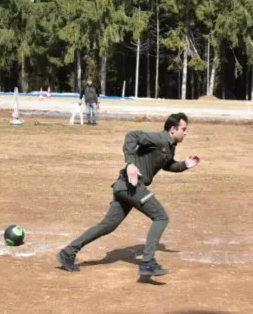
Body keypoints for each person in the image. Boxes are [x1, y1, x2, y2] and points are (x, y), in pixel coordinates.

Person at [56, 112, 200, 277]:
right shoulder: (158, 138)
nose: (186, 132)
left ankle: (67, 253)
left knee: (107, 225)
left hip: (125, 187)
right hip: (131, 186)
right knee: (161, 217)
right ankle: (147, 262)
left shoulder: (169, 146)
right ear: (173, 130)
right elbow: (132, 136)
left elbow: (167, 165)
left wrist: (184, 165)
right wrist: (130, 163)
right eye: (184, 129)